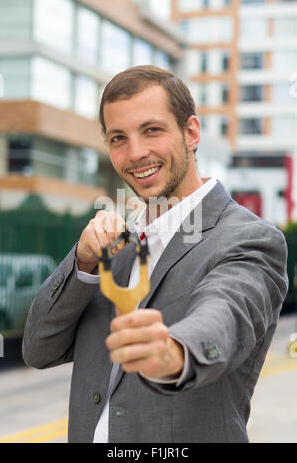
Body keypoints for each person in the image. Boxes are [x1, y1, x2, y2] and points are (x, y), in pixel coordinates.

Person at [22, 65, 288, 443]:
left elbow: (225, 316)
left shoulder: (248, 238)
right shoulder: (115, 245)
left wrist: (174, 351)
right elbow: (37, 349)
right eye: (118, 138)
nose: (136, 153)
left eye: (152, 130)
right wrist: (83, 264)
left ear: (191, 132)